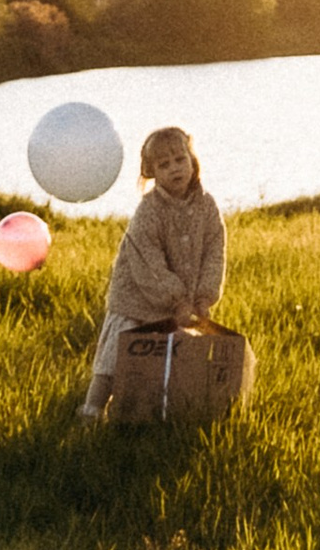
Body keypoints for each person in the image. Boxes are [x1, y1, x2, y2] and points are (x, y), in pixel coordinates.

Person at [80, 124, 227, 419]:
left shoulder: (207, 206)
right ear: (151, 173)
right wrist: (176, 299)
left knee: (168, 352)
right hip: (137, 295)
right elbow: (148, 263)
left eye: (180, 160)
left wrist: (203, 296)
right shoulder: (149, 211)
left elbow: (215, 252)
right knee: (116, 355)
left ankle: (153, 410)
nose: (175, 169)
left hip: (182, 298)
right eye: (164, 164)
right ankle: (92, 408)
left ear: (192, 160)